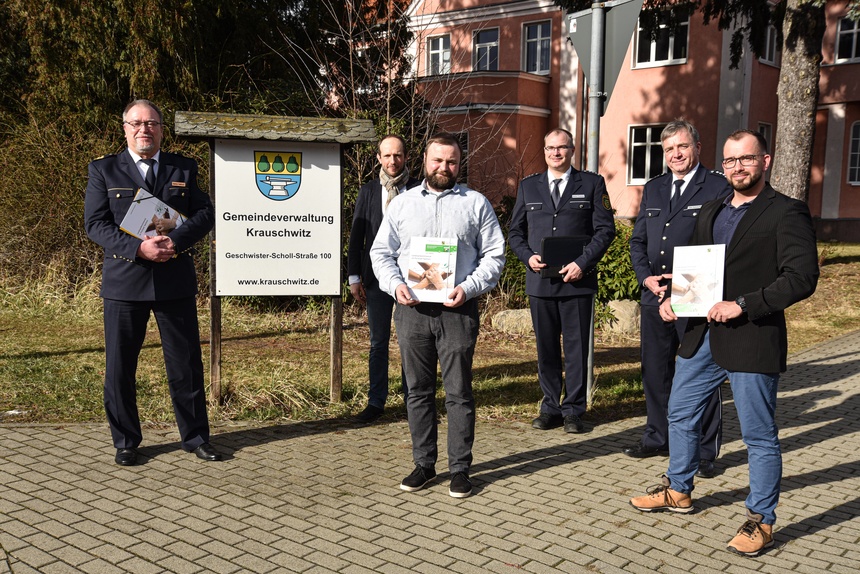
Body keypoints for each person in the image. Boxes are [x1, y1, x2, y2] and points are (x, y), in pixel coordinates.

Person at [629, 130, 819, 557]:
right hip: (702, 336)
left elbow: (802, 278)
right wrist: (674, 299)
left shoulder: (786, 212)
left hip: (752, 336)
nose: (738, 167)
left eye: (746, 159)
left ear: (764, 161)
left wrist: (744, 305)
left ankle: (761, 520)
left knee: (759, 435)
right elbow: (696, 267)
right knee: (679, 413)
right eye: (730, 161)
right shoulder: (713, 210)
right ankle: (678, 490)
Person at [84, 99, 221, 466]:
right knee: (120, 366)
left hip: (174, 280)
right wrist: (139, 249)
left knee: (186, 365)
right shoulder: (103, 170)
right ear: (125, 128)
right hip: (125, 282)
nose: (144, 129)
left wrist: (175, 241)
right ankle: (126, 441)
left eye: (152, 123)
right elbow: (95, 224)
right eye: (137, 123)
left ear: (162, 129)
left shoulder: (183, 167)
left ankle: (194, 438)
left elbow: (205, 213)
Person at [370, 133, 505, 498]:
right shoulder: (403, 204)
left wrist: (470, 287)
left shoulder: (475, 204)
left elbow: (494, 255)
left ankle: (460, 468)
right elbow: (381, 252)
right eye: (437, 161)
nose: (444, 168)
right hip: (412, 310)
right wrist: (394, 285)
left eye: (452, 162)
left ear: (459, 164)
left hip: (457, 310)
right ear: (425, 161)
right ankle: (424, 464)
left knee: (459, 391)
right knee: (417, 390)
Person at [626, 120, 730, 479]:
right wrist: (646, 278)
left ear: (697, 147)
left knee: (700, 371)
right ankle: (659, 436)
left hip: (696, 293)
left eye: (682, 147)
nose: (676, 154)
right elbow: (638, 241)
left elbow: (723, 243)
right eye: (669, 149)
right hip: (654, 294)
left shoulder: (717, 186)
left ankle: (704, 450)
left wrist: (687, 287)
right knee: (655, 369)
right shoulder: (654, 188)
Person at [508, 128, 615, 433]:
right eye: (550, 148)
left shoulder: (592, 184)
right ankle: (551, 406)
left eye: (562, 148)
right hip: (540, 281)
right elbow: (515, 232)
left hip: (577, 282)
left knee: (577, 348)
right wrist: (527, 256)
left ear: (572, 150)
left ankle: (574, 410)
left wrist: (583, 263)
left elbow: (605, 230)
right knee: (546, 349)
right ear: (544, 151)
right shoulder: (529, 187)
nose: (556, 153)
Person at [347, 135, 421, 423]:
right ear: (378, 158)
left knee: (410, 342)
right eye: (387, 156)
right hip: (376, 279)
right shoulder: (367, 191)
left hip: (413, 279)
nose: (393, 161)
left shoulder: (418, 190)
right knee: (378, 342)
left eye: (398, 155)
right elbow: (357, 236)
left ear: (406, 157)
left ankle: (413, 401)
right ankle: (376, 402)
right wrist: (354, 276)